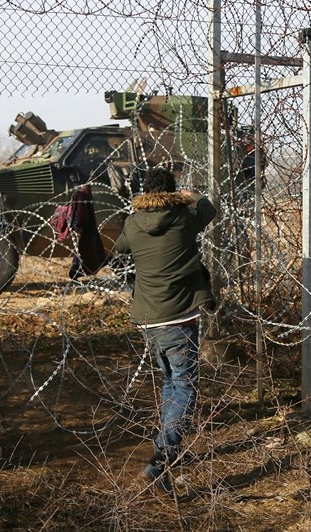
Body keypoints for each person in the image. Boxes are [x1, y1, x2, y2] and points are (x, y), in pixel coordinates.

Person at [112, 167, 217, 494]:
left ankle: (163, 447)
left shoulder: (133, 223)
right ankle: (161, 459)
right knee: (185, 387)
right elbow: (210, 207)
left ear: (144, 192)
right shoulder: (185, 218)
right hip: (179, 317)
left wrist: (136, 210)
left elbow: (119, 248)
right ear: (173, 191)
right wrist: (186, 195)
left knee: (172, 382)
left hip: (148, 319)